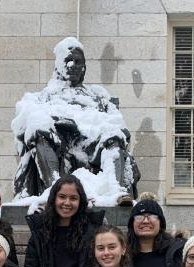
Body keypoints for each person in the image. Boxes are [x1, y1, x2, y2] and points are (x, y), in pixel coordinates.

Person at [12, 37, 139, 204]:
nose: (72, 65)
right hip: (59, 145)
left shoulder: (99, 97)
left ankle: (115, 190)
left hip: (94, 148)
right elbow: (23, 125)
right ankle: (55, 188)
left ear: (83, 67)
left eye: (77, 61)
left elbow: (120, 127)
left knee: (113, 133)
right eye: (68, 60)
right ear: (58, 65)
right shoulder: (41, 97)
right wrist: (59, 122)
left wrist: (88, 130)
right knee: (38, 127)